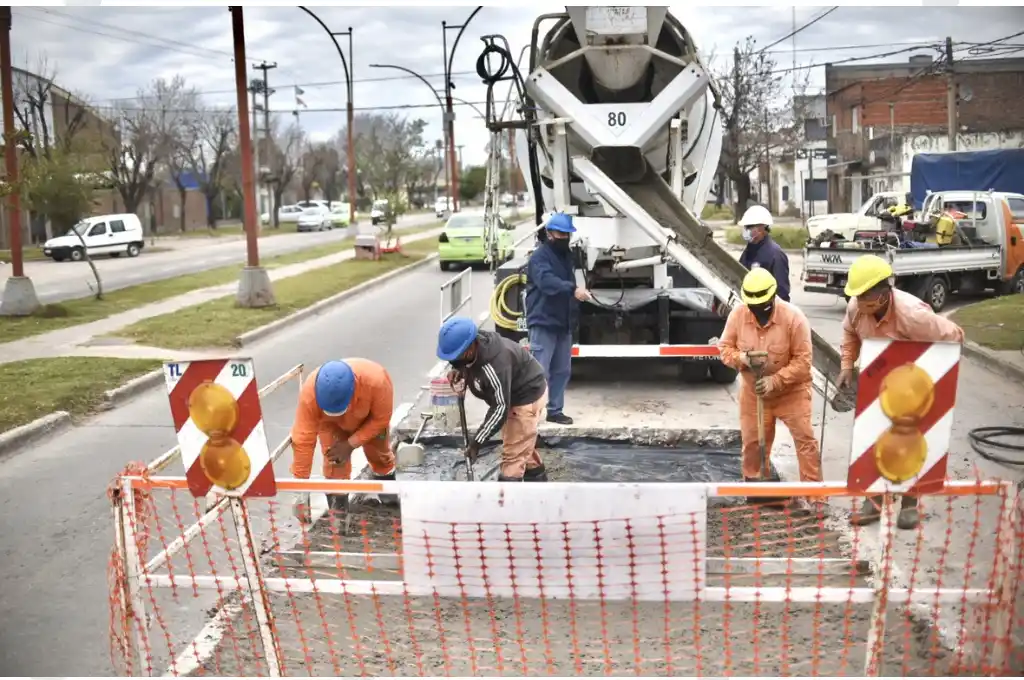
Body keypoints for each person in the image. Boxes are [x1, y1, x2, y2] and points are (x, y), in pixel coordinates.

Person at [837, 254, 965, 530]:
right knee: (872, 440)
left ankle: (909, 502)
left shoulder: (913, 315)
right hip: (877, 385)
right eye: (856, 296)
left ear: (883, 295)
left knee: (908, 441)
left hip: (911, 387)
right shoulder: (856, 308)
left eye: (863, 296)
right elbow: (849, 334)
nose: (858, 302)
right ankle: (873, 501)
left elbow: (955, 336)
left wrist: (932, 372)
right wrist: (847, 365)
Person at [717, 268, 823, 493]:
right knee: (753, 444)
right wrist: (742, 358)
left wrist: (774, 381)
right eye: (753, 308)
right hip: (753, 393)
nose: (757, 312)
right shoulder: (738, 315)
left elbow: (803, 362)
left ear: (773, 297)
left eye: (762, 307)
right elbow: (725, 348)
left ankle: (815, 496)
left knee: (805, 441)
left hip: (791, 392)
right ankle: (756, 491)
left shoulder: (794, 319)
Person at [437, 316, 550, 483]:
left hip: (525, 398)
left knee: (513, 459)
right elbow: (470, 364)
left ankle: (506, 502)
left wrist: (477, 442)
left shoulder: (495, 364)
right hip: (513, 395)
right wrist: (461, 369)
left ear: (467, 350)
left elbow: (500, 408)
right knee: (521, 444)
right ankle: (539, 488)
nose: (453, 362)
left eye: (455, 359)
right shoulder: (475, 345)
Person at [290, 359, 397, 521]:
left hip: (369, 420)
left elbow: (381, 419)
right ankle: (339, 519)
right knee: (334, 463)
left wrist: (350, 444)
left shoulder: (377, 382)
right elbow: (303, 439)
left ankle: (391, 504)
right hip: (331, 425)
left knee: (380, 455)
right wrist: (300, 487)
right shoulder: (310, 393)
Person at [525, 212, 592, 425]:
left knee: (562, 370)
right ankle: (530, 414)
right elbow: (547, 282)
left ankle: (555, 410)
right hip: (543, 321)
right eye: (560, 233)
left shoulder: (566, 256)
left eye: (567, 234)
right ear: (550, 233)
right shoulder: (539, 258)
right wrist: (573, 290)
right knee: (539, 372)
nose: (564, 237)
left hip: (563, 323)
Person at [738, 205, 791, 302]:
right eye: (745, 227)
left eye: (749, 226)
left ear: (762, 227)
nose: (746, 230)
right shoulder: (748, 251)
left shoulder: (776, 254)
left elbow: (782, 292)